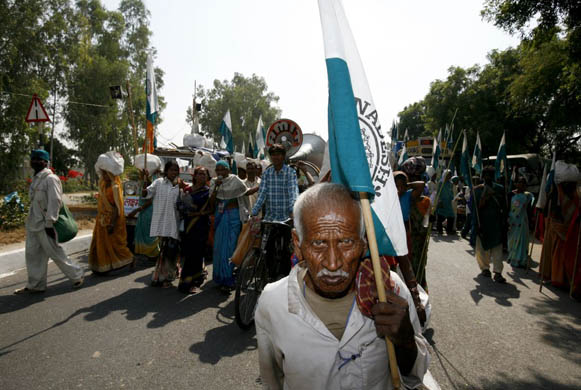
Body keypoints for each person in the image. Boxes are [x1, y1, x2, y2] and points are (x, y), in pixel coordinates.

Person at [255, 183, 433, 390]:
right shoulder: (273, 302)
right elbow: (272, 381)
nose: (333, 263)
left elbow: (415, 376)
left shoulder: (390, 290)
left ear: (364, 243)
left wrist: (405, 340)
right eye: (318, 243)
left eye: (346, 242)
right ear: (297, 243)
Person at [15, 150, 85, 294]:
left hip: (46, 224)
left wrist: (49, 223)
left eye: (38, 159)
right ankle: (36, 284)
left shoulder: (51, 179)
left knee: (55, 253)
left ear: (45, 162)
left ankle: (77, 275)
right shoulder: (36, 179)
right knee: (33, 254)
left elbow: (55, 201)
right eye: (33, 159)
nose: (34, 162)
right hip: (33, 223)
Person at [143, 160, 186, 288]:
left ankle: (168, 274)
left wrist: (184, 189)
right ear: (166, 171)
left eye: (176, 170)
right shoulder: (158, 183)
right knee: (165, 251)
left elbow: (187, 202)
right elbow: (145, 194)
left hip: (175, 223)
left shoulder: (181, 185)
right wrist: (145, 181)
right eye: (171, 170)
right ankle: (163, 277)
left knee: (172, 251)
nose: (174, 172)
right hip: (162, 223)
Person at [209, 160, 250, 293]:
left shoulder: (235, 180)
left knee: (230, 247)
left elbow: (246, 192)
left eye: (223, 169)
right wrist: (216, 187)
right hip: (220, 217)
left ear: (228, 170)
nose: (220, 172)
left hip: (234, 217)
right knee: (219, 247)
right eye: (218, 170)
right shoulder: (213, 182)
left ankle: (228, 278)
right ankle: (219, 277)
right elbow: (211, 201)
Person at [89, 168, 134, 273]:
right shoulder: (103, 185)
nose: (104, 176)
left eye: (106, 174)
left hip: (112, 220)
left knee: (116, 244)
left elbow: (116, 208)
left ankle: (130, 259)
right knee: (101, 243)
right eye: (103, 174)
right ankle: (103, 265)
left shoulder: (115, 187)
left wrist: (112, 224)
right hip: (102, 219)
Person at [177, 166, 211, 294]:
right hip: (188, 224)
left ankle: (193, 282)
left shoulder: (208, 192)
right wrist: (186, 208)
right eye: (200, 174)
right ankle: (185, 281)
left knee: (197, 254)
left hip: (201, 225)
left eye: (204, 174)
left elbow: (211, 209)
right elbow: (179, 204)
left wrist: (198, 214)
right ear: (195, 176)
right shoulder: (187, 190)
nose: (202, 176)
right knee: (187, 253)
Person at [473, 166, 507, 283]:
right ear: (482, 176)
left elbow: (504, 206)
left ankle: (497, 272)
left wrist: (504, 221)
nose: (487, 177)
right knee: (482, 248)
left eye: (489, 175)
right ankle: (485, 269)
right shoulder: (477, 190)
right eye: (485, 175)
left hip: (496, 223)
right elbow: (475, 209)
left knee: (497, 248)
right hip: (482, 222)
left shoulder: (500, 189)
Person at [251, 144, 299, 222]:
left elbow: (293, 192)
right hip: (269, 218)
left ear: (283, 156)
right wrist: (254, 212)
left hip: (286, 218)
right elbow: (262, 194)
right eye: (273, 155)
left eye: (278, 154)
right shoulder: (267, 173)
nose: (275, 157)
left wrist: (293, 209)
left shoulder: (290, 172)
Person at [128, 170, 160, 261]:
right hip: (144, 213)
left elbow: (149, 201)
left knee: (149, 235)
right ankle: (149, 254)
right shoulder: (143, 182)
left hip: (148, 212)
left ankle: (154, 254)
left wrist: (137, 210)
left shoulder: (149, 184)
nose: (140, 174)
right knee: (145, 232)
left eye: (142, 173)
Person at [507, 177, 534, 268]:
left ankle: (520, 260)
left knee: (522, 241)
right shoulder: (511, 195)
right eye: (519, 182)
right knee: (512, 240)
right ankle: (512, 257)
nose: (521, 185)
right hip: (513, 222)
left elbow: (529, 209)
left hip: (522, 222)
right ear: (516, 184)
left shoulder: (527, 196)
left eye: (523, 183)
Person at [436, 170, 455, 235]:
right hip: (442, 201)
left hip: (448, 202)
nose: (449, 176)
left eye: (450, 175)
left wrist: (452, 196)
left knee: (451, 216)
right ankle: (439, 229)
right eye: (448, 175)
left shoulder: (450, 183)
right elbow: (438, 192)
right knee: (440, 216)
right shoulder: (441, 183)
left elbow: (451, 191)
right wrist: (439, 200)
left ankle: (449, 230)